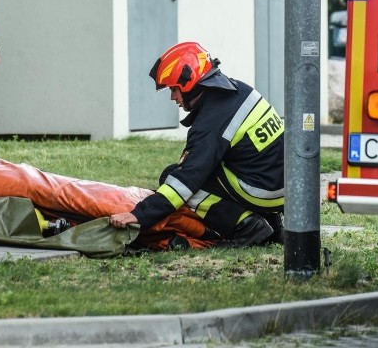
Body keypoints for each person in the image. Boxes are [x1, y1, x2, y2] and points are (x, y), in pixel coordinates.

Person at [109, 42, 285, 246]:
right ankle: (273, 228)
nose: (172, 97)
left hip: (262, 192)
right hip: (283, 189)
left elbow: (186, 180)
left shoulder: (211, 121)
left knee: (174, 176)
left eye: (174, 89)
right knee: (225, 165)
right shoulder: (239, 90)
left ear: (188, 82)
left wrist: (139, 215)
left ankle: (247, 227)